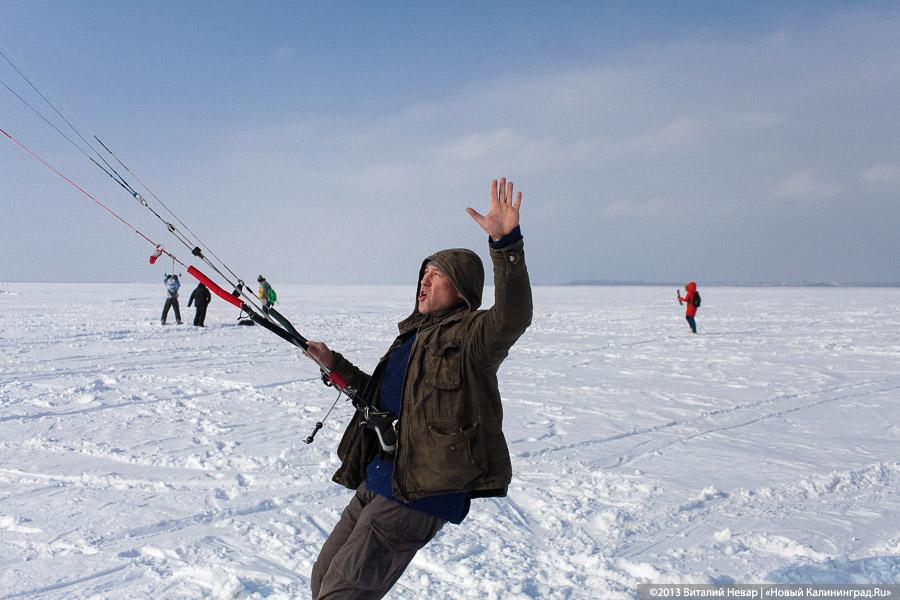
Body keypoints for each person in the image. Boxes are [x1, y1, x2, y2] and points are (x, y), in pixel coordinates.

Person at [304, 177, 532, 599]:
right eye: (423, 274)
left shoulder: (472, 337)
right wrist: (333, 364)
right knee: (323, 579)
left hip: (422, 489)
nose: (424, 283)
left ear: (461, 289)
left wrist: (506, 245)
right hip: (381, 477)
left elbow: (513, 315)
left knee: (342, 591)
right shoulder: (411, 337)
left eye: (437, 276)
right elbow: (379, 395)